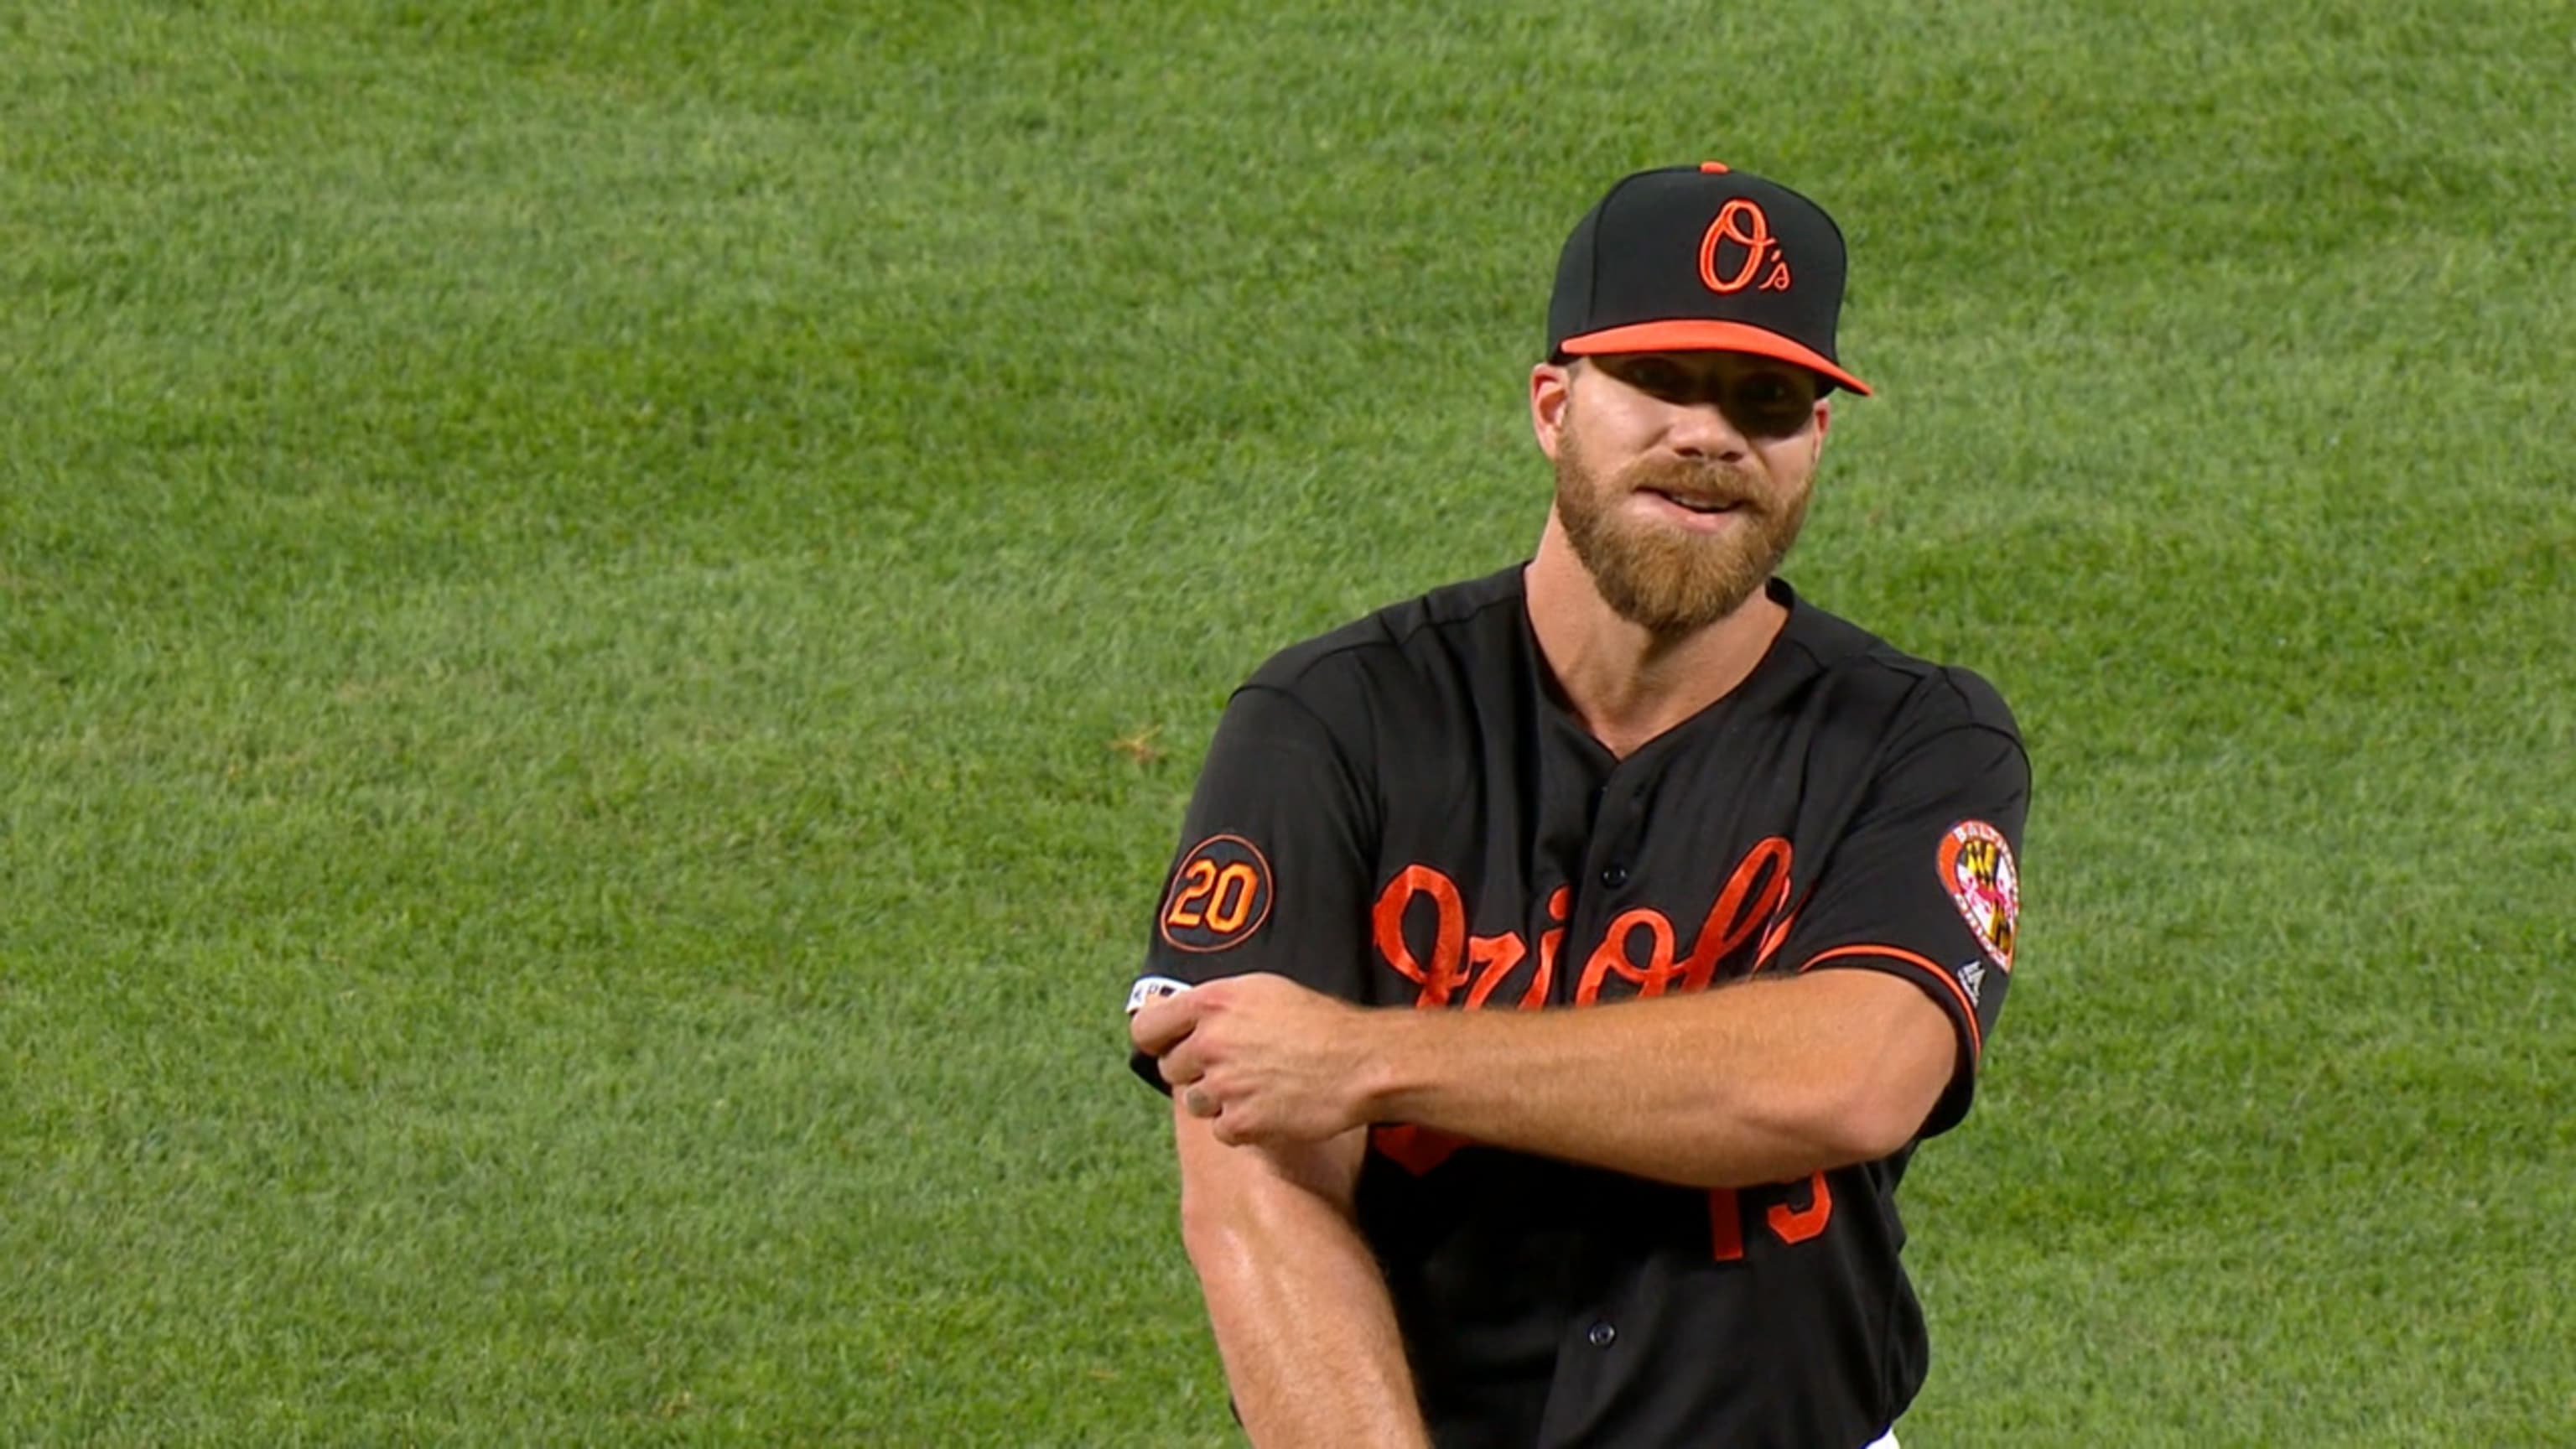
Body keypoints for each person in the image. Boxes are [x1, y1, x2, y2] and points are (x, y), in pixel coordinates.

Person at [1123, 161, 2028, 1449]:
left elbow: (1853, 1078)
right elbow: (1252, 1195)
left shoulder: (1917, 740)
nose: (1711, 436)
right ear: (1553, 406)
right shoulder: (1332, 724)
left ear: (1814, 445)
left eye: (1768, 403)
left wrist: (1371, 1059)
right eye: (1660, 381)